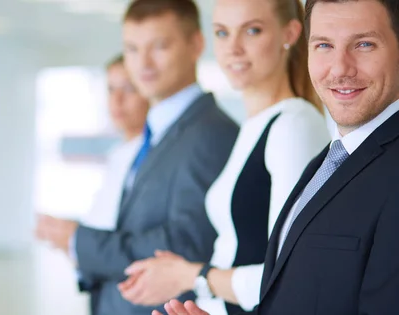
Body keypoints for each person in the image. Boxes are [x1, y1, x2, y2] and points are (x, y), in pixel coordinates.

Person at [155, 0, 399, 314]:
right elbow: (290, 290)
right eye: (324, 45)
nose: (340, 68)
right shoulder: (327, 162)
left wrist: (196, 277)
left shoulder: (296, 126)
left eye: (364, 44)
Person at [118, 0, 330, 314]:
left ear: (290, 33)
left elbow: (292, 274)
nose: (233, 49)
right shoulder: (254, 126)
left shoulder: (293, 125)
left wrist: (192, 275)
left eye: (252, 31)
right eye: (221, 33)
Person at [35, 0, 239, 314]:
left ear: (196, 44)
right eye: (132, 48)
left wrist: (83, 243)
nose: (143, 63)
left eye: (159, 46)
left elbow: (185, 245)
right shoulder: (155, 133)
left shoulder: (210, 134)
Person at [79, 54, 149, 231]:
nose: (116, 100)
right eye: (111, 89)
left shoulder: (152, 154)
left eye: (129, 89)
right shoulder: (118, 152)